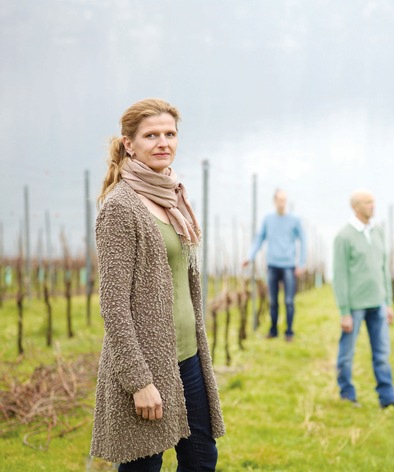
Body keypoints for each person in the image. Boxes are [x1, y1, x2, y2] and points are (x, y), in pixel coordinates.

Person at [91, 98, 225, 471]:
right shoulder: (121, 207)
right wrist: (138, 382)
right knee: (143, 466)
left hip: (188, 356)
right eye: (152, 135)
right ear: (129, 144)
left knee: (201, 458)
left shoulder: (172, 197)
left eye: (170, 133)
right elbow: (113, 305)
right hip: (147, 363)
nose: (163, 142)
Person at [332, 189, 394, 409]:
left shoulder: (378, 232)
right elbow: (340, 275)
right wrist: (344, 311)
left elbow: (384, 269)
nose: (372, 206)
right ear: (355, 207)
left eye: (373, 202)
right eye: (367, 202)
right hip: (354, 305)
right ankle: (347, 394)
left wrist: (388, 303)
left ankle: (387, 398)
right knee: (347, 353)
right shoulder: (344, 236)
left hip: (378, 303)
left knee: (382, 353)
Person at [243, 189, 306, 342]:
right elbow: (259, 239)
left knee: (289, 301)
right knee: (273, 300)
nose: (282, 203)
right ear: (275, 201)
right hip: (272, 265)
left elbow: (304, 240)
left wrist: (302, 263)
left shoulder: (294, 219)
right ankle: (273, 330)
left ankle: (289, 332)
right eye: (279, 200)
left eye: (284, 200)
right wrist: (249, 257)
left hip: (289, 265)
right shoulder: (268, 219)